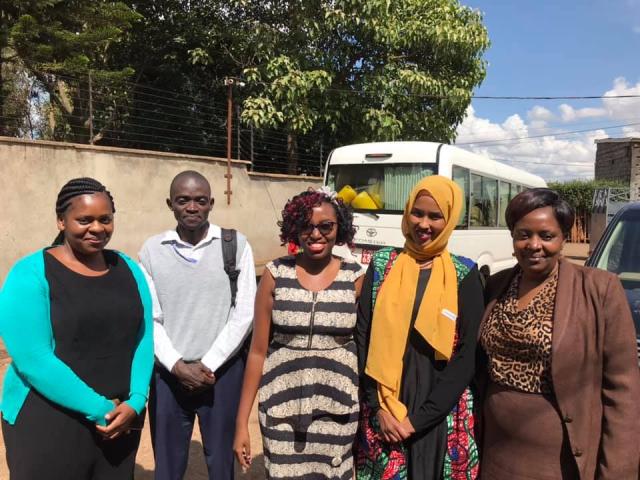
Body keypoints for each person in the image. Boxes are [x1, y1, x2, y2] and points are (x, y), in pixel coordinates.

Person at [478, 188, 640, 479]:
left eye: (547, 235)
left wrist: (617, 470)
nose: (534, 245)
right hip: (494, 452)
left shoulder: (598, 289)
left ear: (564, 237)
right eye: (523, 234)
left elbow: (623, 390)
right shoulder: (496, 285)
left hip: (559, 459)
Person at [0, 177, 153, 479]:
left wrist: (136, 401)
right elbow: (34, 359)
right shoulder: (30, 274)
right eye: (84, 220)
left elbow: (144, 336)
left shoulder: (128, 268)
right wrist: (101, 409)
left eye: (105, 219)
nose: (97, 228)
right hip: (49, 420)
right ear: (61, 221)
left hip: (120, 421)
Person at [355, 175, 484, 480]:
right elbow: (363, 336)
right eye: (417, 213)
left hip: (442, 409)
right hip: (386, 406)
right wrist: (379, 409)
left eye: (435, 216)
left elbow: (468, 354)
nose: (424, 224)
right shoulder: (383, 264)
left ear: (450, 219)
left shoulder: (463, 273)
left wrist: (418, 420)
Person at [233, 187, 365, 479]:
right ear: (294, 229)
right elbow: (257, 351)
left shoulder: (354, 277)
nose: (315, 234)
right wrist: (241, 423)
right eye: (306, 226)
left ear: (339, 227)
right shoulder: (275, 273)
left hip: (338, 409)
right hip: (281, 409)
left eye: (325, 226)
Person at [139, 170, 256, 480]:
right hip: (169, 375)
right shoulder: (152, 250)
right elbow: (151, 317)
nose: (192, 207)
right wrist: (178, 366)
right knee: (168, 464)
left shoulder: (235, 245)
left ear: (211, 203)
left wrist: (207, 365)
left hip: (222, 374)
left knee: (221, 464)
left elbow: (244, 314)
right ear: (170, 204)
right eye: (183, 200)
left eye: (200, 201)